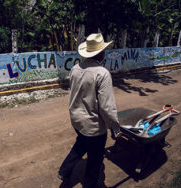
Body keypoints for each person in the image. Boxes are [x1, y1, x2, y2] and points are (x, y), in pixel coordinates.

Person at [58, 33, 121, 188]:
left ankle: (64, 171)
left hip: (77, 121)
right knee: (95, 159)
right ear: (100, 53)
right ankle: (90, 184)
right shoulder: (102, 73)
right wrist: (115, 128)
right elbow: (107, 107)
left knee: (81, 144)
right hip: (94, 127)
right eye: (104, 50)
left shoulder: (75, 69)